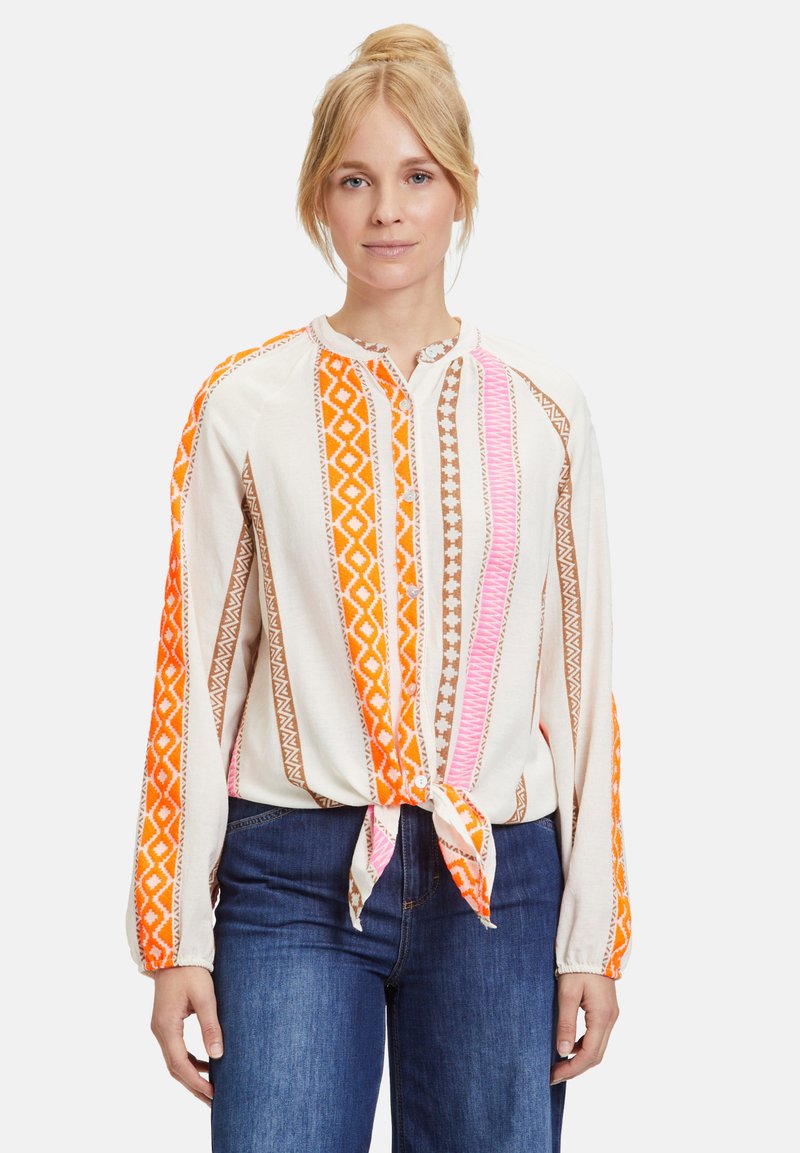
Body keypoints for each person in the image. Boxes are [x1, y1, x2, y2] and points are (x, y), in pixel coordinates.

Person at [125, 22, 632, 1153]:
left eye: (417, 177)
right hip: (290, 875)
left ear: (461, 190)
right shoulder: (245, 406)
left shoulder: (544, 408)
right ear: (319, 196)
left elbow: (579, 679)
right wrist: (177, 934)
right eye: (354, 180)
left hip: (500, 880)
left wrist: (591, 935)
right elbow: (197, 678)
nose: (387, 211)